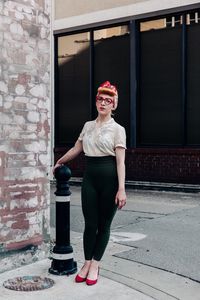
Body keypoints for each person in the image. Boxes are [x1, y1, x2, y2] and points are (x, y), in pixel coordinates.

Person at [53, 81, 127, 286]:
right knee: (90, 223)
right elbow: (77, 148)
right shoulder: (88, 126)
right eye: (100, 99)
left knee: (104, 225)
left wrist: (121, 189)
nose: (103, 103)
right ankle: (86, 262)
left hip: (110, 178)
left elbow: (120, 162)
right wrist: (60, 161)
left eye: (108, 100)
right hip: (90, 178)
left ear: (114, 105)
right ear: (96, 102)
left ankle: (96, 264)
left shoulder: (118, 129)